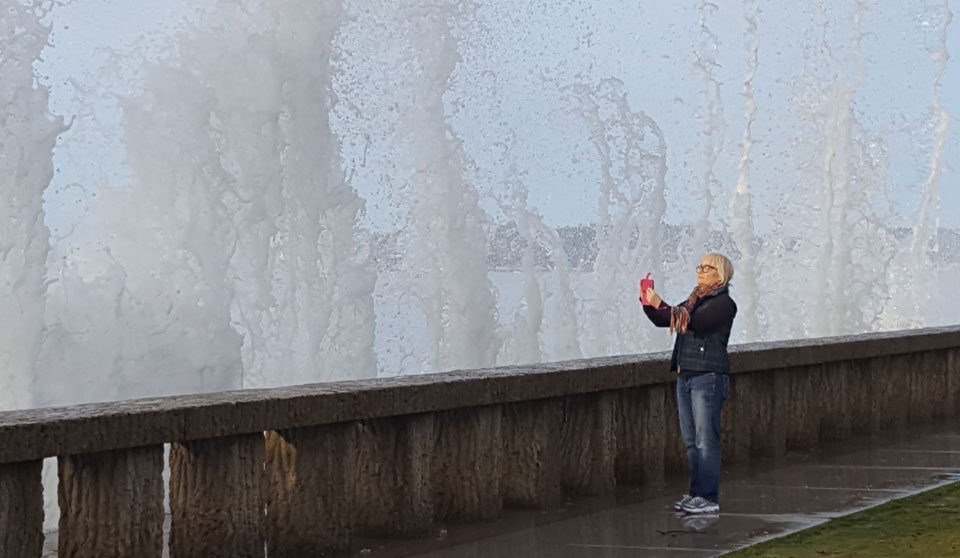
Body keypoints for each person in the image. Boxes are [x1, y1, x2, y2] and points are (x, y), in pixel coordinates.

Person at [641, 253, 737, 515]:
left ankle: (708, 498)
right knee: (692, 441)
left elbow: (696, 323)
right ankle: (697, 495)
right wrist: (648, 301)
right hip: (686, 376)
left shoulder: (723, 304)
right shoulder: (693, 301)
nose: (700, 271)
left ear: (720, 274)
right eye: (700, 266)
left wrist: (660, 304)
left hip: (709, 377)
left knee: (707, 440)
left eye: (707, 268)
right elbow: (666, 319)